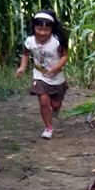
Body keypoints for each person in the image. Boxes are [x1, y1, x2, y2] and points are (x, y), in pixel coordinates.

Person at [15, 10, 68, 139]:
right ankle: (48, 128)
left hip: (56, 77)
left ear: (51, 29)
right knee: (44, 102)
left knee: (56, 104)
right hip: (39, 75)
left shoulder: (57, 41)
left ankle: (55, 109)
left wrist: (56, 67)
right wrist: (22, 67)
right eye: (39, 29)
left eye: (46, 30)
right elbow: (26, 54)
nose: (42, 33)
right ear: (34, 27)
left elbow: (64, 56)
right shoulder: (30, 41)